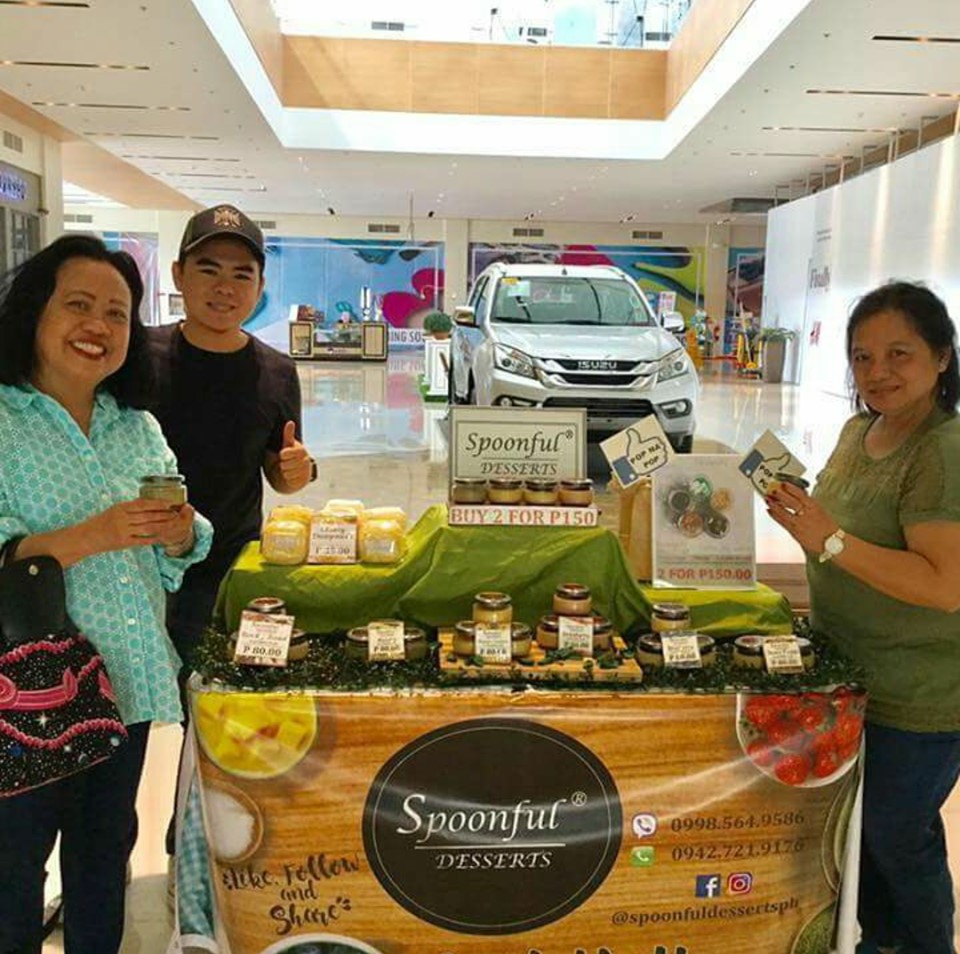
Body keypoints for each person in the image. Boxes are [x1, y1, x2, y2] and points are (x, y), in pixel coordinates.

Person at [0, 234, 213, 953]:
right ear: (34, 313)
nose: (99, 327)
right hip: (24, 692)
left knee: (102, 859)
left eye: (118, 314)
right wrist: (95, 533)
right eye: (79, 305)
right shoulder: (3, 419)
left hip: (121, 681)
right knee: (12, 866)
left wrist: (180, 534)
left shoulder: (136, 426)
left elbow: (170, 556)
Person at [767, 281, 960, 954]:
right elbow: (840, 537)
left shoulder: (943, 450)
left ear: (942, 357)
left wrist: (831, 541)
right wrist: (804, 524)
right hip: (847, 680)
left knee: (896, 836)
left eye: (899, 354)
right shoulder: (859, 430)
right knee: (859, 835)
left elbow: (945, 586)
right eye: (862, 357)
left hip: (916, 695)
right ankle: (876, 943)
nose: (878, 373)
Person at [147, 204, 314, 858]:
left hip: (226, 577)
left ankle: (195, 850)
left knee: (214, 718)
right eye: (208, 269)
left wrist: (297, 470)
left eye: (241, 274)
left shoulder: (276, 370)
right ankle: (106, 866)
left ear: (260, 288)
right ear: (179, 274)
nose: (224, 287)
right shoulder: (143, 356)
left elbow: (282, 471)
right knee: (124, 726)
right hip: (132, 572)